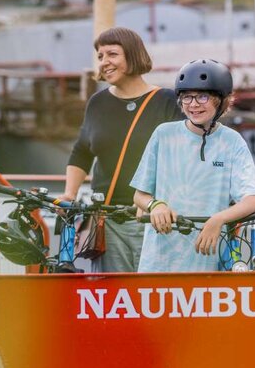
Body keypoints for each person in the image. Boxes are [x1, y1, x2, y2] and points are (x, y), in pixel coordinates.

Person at [63, 27, 181, 271]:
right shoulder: (98, 103)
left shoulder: (168, 101)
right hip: (108, 221)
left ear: (133, 54)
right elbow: (82, 151)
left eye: (112, 54)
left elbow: (183, 159)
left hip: (155, 219)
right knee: (112, 301)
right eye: (100, 56)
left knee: (155, 300)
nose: (104, 62)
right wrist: (68, 195)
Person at [131, 58, 255, 273]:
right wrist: (156, 205)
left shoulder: (232, 141)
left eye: (203, 96)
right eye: (186, 97)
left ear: (222, 101)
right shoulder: (163, 134)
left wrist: (218, 219)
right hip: (159, 260)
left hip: (208, 261)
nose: (193, 104)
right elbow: (139, 195)